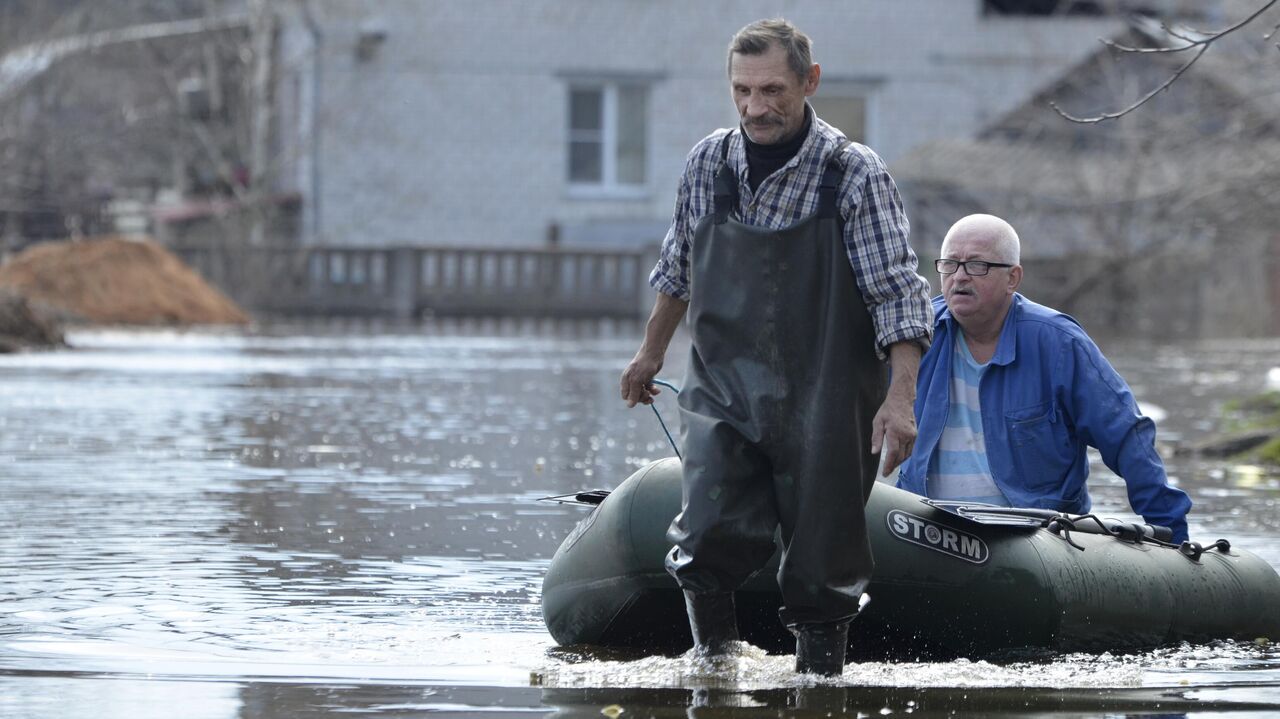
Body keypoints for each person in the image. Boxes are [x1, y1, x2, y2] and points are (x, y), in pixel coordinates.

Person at [619, 18, 932, 676]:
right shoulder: (708, 162)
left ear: (809, 82)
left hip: (828, 390)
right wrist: (649, 354)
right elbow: (677, 271)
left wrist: (899, 400)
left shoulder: (852, 174)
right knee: (704, 535)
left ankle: (820, 683)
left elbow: (898, 296)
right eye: (742, 91)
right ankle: (715, 670)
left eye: (773, 91)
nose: (756, 108)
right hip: (725, 386)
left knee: (823, 562)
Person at [896, 214, 1192, 543]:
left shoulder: (1059, 343)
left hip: (1035, 539)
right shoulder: (916, 336)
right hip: (929, 530)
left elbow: (1126, 435)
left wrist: (1172, 532)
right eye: (950, 264)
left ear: (1013, 278)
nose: (960, 277)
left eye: (977, 265)